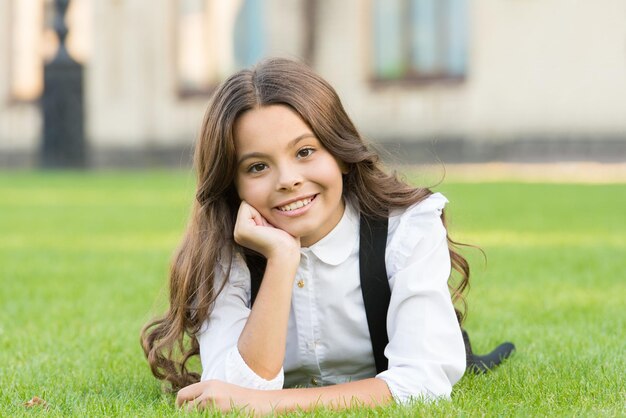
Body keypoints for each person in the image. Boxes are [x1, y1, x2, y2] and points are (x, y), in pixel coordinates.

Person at [141, 57, 471, 414]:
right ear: (232, 185)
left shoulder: (406, 227)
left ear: (340, 154)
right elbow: (234, 393)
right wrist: (282, 260)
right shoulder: (222, 251)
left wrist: (272, 405)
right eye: (257, 167)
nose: (287, 179)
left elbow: (423, 385)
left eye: (305, 151)